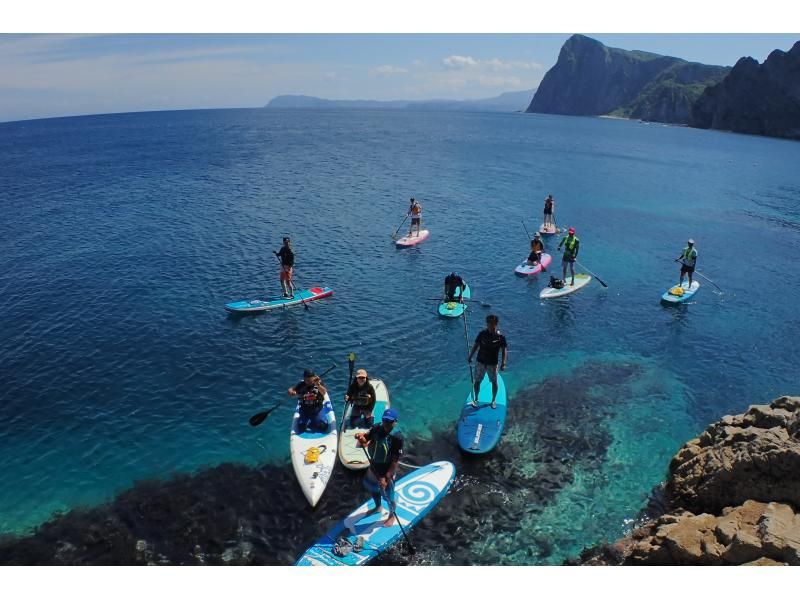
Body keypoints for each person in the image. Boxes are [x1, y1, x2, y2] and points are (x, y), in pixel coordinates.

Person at [355, 408, 403, 527]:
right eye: (385, 421)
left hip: (387, 470)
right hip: (374, 466)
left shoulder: (397, 437)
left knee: (389, 496)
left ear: (395, 421)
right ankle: (377, 507)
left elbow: (395, 459)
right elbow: (367, 438)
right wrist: (362, 438)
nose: (387, 424)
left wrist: (386, 477)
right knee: (372, 488)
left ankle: (391, 515)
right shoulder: (377, 428)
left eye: (390, 421)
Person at [467, 314, 508, 409]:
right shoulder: (482, 334)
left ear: (496, 324)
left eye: (492, 323)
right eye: (488, 323)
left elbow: (504, 350)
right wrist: (470, 356)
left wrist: (503, 363)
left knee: (494, 382)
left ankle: (493, 400)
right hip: (480, 362)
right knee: (477, 381)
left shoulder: (500, 337)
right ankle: (476, 399)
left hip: (492, 364)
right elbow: (476, 345)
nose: (489, 325)